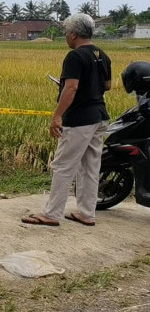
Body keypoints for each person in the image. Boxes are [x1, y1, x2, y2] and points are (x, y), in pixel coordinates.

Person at [22, 13, 111, 227]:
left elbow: (71, 87)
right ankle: (87, 213)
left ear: (73, 34)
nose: (65, 37)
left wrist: (57, 115)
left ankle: (52, 214)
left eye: (65, 33)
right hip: (99, 116)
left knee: (63, 166)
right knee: (91, 166)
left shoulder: (75, 56)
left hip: (79, 119)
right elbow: (106, 85)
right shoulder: (102, 54)